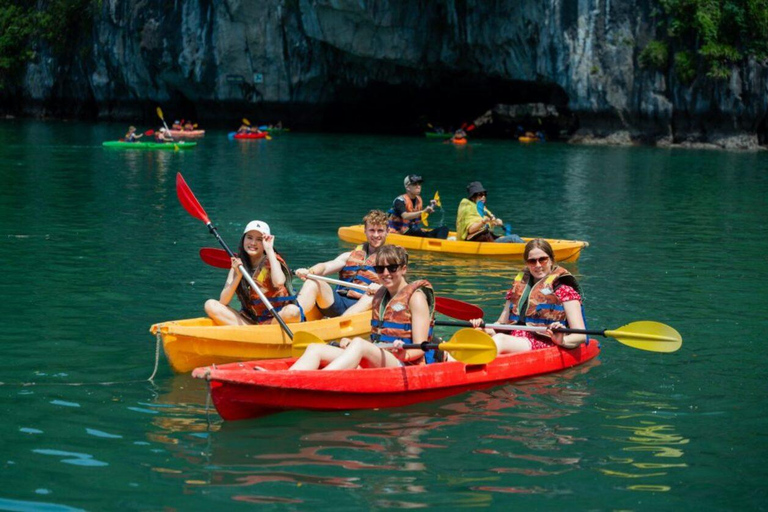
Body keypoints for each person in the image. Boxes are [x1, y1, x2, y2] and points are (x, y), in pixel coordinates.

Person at [290, 245, 434, 370]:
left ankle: (318, 380)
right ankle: (287, 379)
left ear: (403, 269)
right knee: (315, 349)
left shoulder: (416, 298)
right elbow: (377, 339)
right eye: (380, 269)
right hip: (383, 356)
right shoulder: (380, 296)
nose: (385, 273)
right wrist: (351, 344)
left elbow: (421, 347)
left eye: (392, 268)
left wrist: (404, 353)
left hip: (406, 364)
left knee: (359, 344)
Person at [469, 238, 587, 354]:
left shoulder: (565, 290)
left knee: (500, 339)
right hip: (514, 338)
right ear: (527, 263)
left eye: (543, 260)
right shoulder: (517, 289)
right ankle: (451, 359)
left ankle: (461, 363)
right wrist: (485, 327)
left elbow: (580, 335)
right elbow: (501, 323)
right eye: (532, 261)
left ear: (551, 260)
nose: (538, 265)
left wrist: (562, 340)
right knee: (478, 334)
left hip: (544, 342)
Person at [204, 221, 303, 326]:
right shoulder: (238, 264)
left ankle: (261, 334)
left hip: (277, 320)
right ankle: (254, 334)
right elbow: (223, 301)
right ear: (243, 239)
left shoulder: (272, 260)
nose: (253, 243)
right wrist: (238, 275)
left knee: (293, 311)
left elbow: (279, 282)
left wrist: (269, 249)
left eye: (259, 239)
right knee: (210, 304)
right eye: (249, 238)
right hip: (250, 321)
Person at [293, 210, 388, 318]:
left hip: (362, 305)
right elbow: (325, 267)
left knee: (372, 297)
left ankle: (340, 322)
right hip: (338, 302)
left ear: (387, 231)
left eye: (380, 230)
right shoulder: (348, 256)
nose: (376, 235)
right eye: (372, 230)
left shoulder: (391, 261)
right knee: (313, 281)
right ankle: (294, 315)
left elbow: (396, 287)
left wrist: (381, 288)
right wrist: (310, 272)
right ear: (365, 231)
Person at [456, 181, 524, 243]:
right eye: (480, 194)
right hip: (478, 241)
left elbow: (492, 229)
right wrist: (482, 222)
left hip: (488, 239)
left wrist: (498, 223)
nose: (483, 197)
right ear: (473, 197)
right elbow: (471, 229)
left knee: (514, 237)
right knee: (514, 238)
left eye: (484, 194)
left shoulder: (483, 209)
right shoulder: (468, 208)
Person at [388, 175, 449, 239]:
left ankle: (438, 243)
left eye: (419, 184)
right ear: (408, 187)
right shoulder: (400, 201)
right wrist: (423, 211)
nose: (418, 186)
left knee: (444, 228)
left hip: (413, 230)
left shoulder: (419, 200)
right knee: (415, 230)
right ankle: (431, 239)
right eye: (414, 184)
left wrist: (432, 206)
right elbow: (405, 216)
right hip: (398, 233)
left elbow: (420, 217)